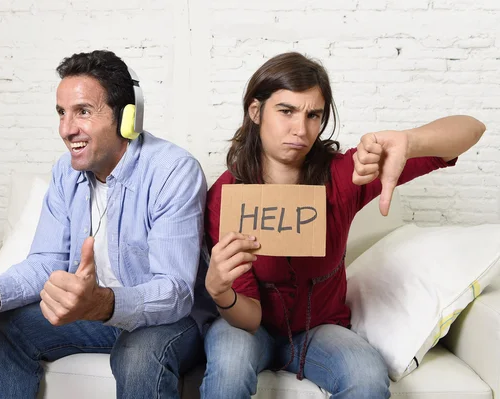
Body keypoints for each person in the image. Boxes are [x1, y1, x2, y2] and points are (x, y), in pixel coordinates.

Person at [0, 50, 215, 399]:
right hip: (94, 313)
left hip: (169, 321)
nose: (67, 129)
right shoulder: (64, 173)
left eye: (83, 112)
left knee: (138, 356)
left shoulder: (173, 171)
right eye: (61, 113)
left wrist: (102, 303)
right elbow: (46, 263)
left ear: (128, 117)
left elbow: (175, 292)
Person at [200, 51, 486, 399]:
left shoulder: (344, 174)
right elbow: (249, 318)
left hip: (319, 329)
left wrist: (408, 141)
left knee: (366, 374)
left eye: (313, 115)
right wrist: (220, 292)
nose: (300, 129)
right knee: (229, 363)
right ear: (256, 111)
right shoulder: (227, 195)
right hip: (249, 328)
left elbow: (472, 129)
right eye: (286, 111)